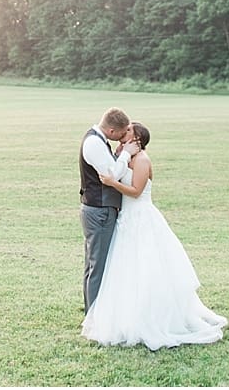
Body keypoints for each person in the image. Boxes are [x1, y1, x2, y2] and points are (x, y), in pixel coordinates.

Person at [81, 122, 227, 350]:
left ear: (137, 138)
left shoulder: (142, 160)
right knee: (126, 270)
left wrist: (111, 182)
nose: (123, 134)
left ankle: (152, 317)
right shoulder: (125, 156)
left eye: (128, 131)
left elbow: (136, 192)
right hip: (126, 218)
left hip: (141, 218)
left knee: (147, 267)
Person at [78, 107, 137, 312]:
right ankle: (95, 317)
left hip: (99, 209)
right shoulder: (94, 143)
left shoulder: (99, 141)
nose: (122, 140)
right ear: (111, 131)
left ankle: (92, 313)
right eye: (121, 135)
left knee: (94, 264)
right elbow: (112, 175)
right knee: (99, 266)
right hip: (99, 210)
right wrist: (126, 156)